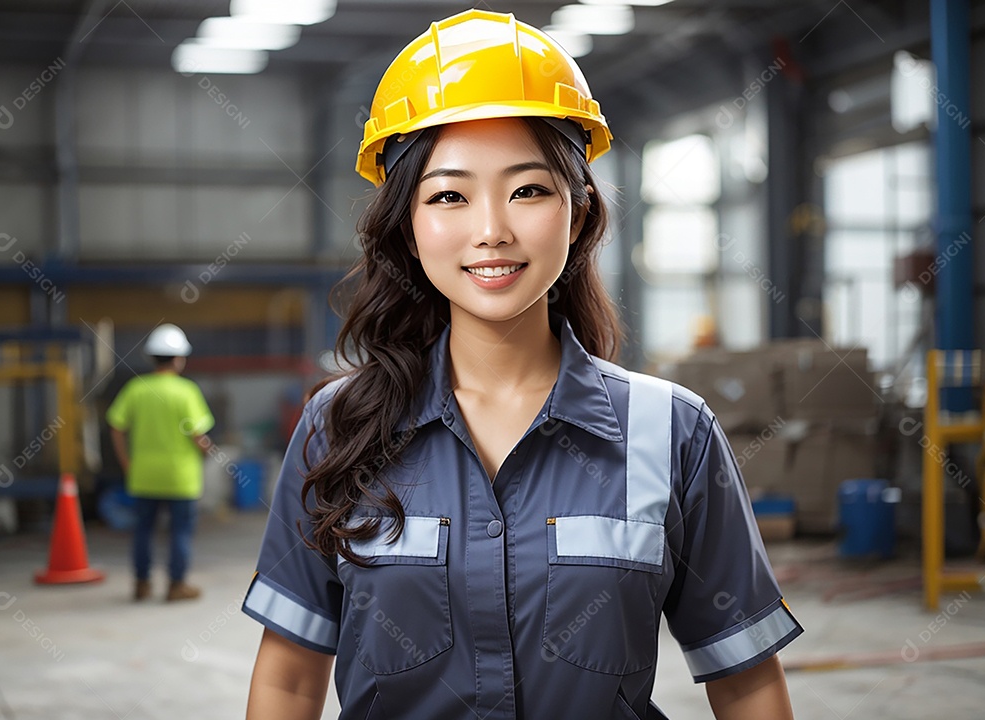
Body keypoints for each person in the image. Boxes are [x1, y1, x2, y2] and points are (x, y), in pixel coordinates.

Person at [243, 9, 801, 719]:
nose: (491, 230)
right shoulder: (340, 427)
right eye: (449, 194)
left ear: (578, 212)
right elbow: (290, 677)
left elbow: (747, 681)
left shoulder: (672, 434)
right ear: (408, 227)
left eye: (528, 189)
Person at [107, 323, 214, 602]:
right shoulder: (186, 391)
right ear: (179, 359)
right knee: (180, 531)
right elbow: (198, 435)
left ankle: (141, 584)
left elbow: (116, 427)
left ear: (151, 357)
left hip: (143, 475)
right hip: (181, 477)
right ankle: (176, 585)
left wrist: (125, 461)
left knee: (143, 530)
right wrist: (208, 451)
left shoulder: (135, 388)